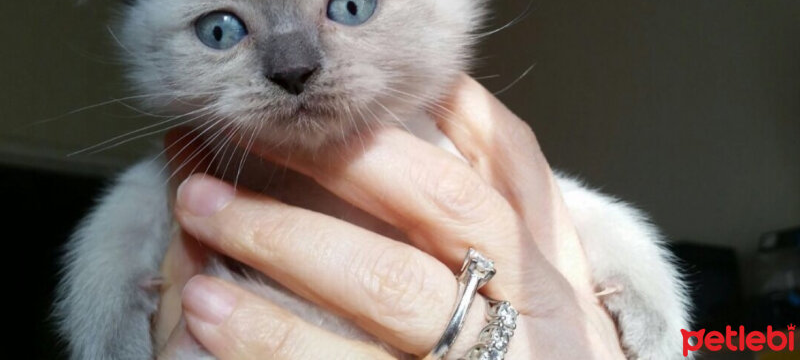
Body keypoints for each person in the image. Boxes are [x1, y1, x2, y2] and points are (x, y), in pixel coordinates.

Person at [154, 75, 627, 359]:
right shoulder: (190, 168)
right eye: (218, 31)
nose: (293, 69)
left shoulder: (461, 150)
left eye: (352, 6)